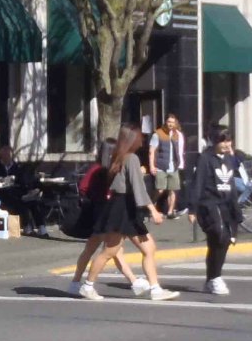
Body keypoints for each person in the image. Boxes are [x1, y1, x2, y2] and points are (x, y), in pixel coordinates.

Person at [82, 124, 179, 301]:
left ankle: (155, 289)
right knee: (110, 252)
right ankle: (88, 286)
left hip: (123, 207)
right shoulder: (131, 158)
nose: (142, 141)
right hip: (123, 208)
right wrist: (153, 210)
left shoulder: (119, 157)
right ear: (132, 140)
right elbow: (138, 188)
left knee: (148, 248)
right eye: (140, 137)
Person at [65, 138, 145, 299]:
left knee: (96, 249)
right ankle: (132, 282)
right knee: (112, 249)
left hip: (99, 211)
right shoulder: (108, 169)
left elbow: (83, 188)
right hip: (105, 212)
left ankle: (75, 283)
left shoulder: (98, 168)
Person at [188, 128, 242, 295]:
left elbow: (232, 184)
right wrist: (192, 208)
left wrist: (236, 209)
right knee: (220, 235)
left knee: (222, 242)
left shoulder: (229, 159)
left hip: (227, 203)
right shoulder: (205, 158)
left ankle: (212, 278)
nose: (226, 144)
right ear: (215, 142)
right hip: (210, 203)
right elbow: (198, 183)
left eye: (228, 140)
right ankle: (215, 278)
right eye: (223, 141)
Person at [0, 145, 49, 238]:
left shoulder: (17, 167)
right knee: (22, 201)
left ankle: (41, 228)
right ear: (1, 155)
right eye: (5, 155)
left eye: (9, 155)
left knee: (33, 202)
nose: (7, 157)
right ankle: (27, 226)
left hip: (16, 191)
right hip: (1, 193)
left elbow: (23, 182)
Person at [149, 114, 186, 218]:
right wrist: (152, 166)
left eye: (172, 122)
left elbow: (180, 150)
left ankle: (170, 212)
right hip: (161, 166)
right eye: (169, 122)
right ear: (166, 122)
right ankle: (151, 207)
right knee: (160, 189)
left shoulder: (177, 135)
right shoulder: (158, 134)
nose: (170, 124)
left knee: (173, 189)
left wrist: (180, 164)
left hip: (173, 166)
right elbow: (151, 151)